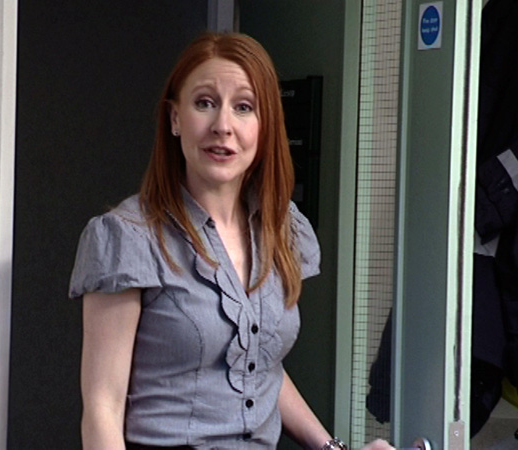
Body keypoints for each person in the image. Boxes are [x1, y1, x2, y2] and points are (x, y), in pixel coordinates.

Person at [69, 32, 393, 450]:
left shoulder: (282, 228)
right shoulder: (126, 236)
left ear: (264, 126)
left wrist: (331, 448)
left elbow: (259, 369)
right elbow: (102, 408)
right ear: (174, 118)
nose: (223, 126)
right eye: (205, 103)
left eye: (243, 107)